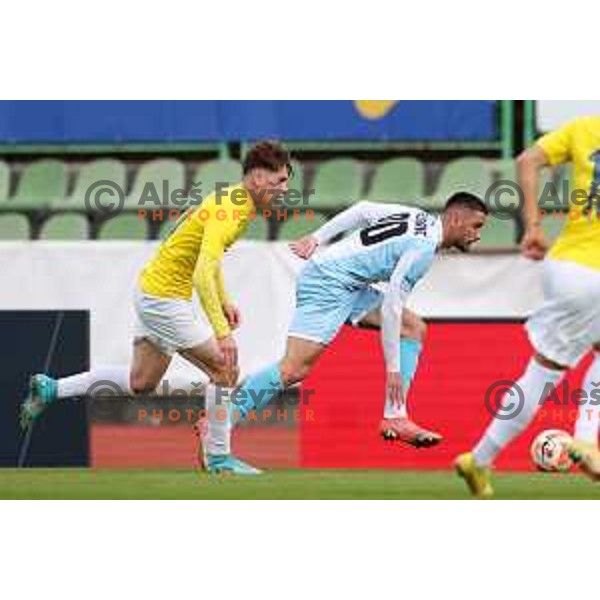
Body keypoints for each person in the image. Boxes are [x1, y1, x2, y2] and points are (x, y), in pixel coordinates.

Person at [20, 140, 292, 475]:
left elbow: (209, 263)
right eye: (279, 180)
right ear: (256, 179)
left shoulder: (236, 201)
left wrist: (224, 302)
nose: (286, 188)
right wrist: (222, 333)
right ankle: (219, 457)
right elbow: (203, 272)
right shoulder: (232, 208)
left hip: (155, 291)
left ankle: (52, 388)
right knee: (225, 368)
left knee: (141, 381)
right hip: (163, 299)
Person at [198, 193, 488, 471]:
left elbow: (362, 209)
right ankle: (219, 423)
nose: (477, 235)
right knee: (292, 370)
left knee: (412, 329)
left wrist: (317, 237)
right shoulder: (423, 249)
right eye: (476, 226)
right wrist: (393, 370)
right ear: (456, 219)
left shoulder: (416, 216)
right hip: (329, 282)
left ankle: (395, 416)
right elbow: (391, 309)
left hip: (348, 283)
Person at [455, 115, 600, 498]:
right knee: (543, 374)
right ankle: (584, 441)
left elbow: (526, 160)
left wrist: (533, 227)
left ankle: (480, 461)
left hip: (565, 264)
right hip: (596, 274)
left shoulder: (585, 126)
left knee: (554, 365)